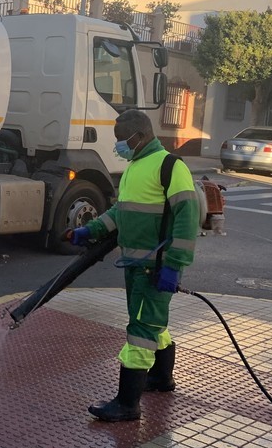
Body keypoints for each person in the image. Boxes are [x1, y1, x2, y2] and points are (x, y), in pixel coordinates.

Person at [66, 109, 198, 422]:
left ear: (138, 136)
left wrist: (174, 266)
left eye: (122, 140)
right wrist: (92, 229)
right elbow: (120, 212)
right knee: (152, 322)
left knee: (141, 329)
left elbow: (187, 219)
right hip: (136, 265)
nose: (119, 146)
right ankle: (161, 378)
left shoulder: (170, 166)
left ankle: (127, 404)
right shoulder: (135, 166)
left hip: (155, 267)